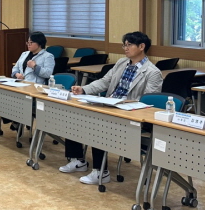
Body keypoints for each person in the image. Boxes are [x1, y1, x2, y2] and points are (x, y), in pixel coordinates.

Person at [60, 31, 163, 185]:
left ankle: (101, 172)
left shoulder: (152, 72)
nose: (125, 48)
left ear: (141, 47)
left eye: (129, 45)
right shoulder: (121, 63)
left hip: (129, 113)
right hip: (109, 106)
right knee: (74, 114)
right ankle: (78, 160)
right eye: (124, 45)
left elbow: (148, 102)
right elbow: (104, 82)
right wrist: (84, 89)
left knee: (98, 123)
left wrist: (121, 103)